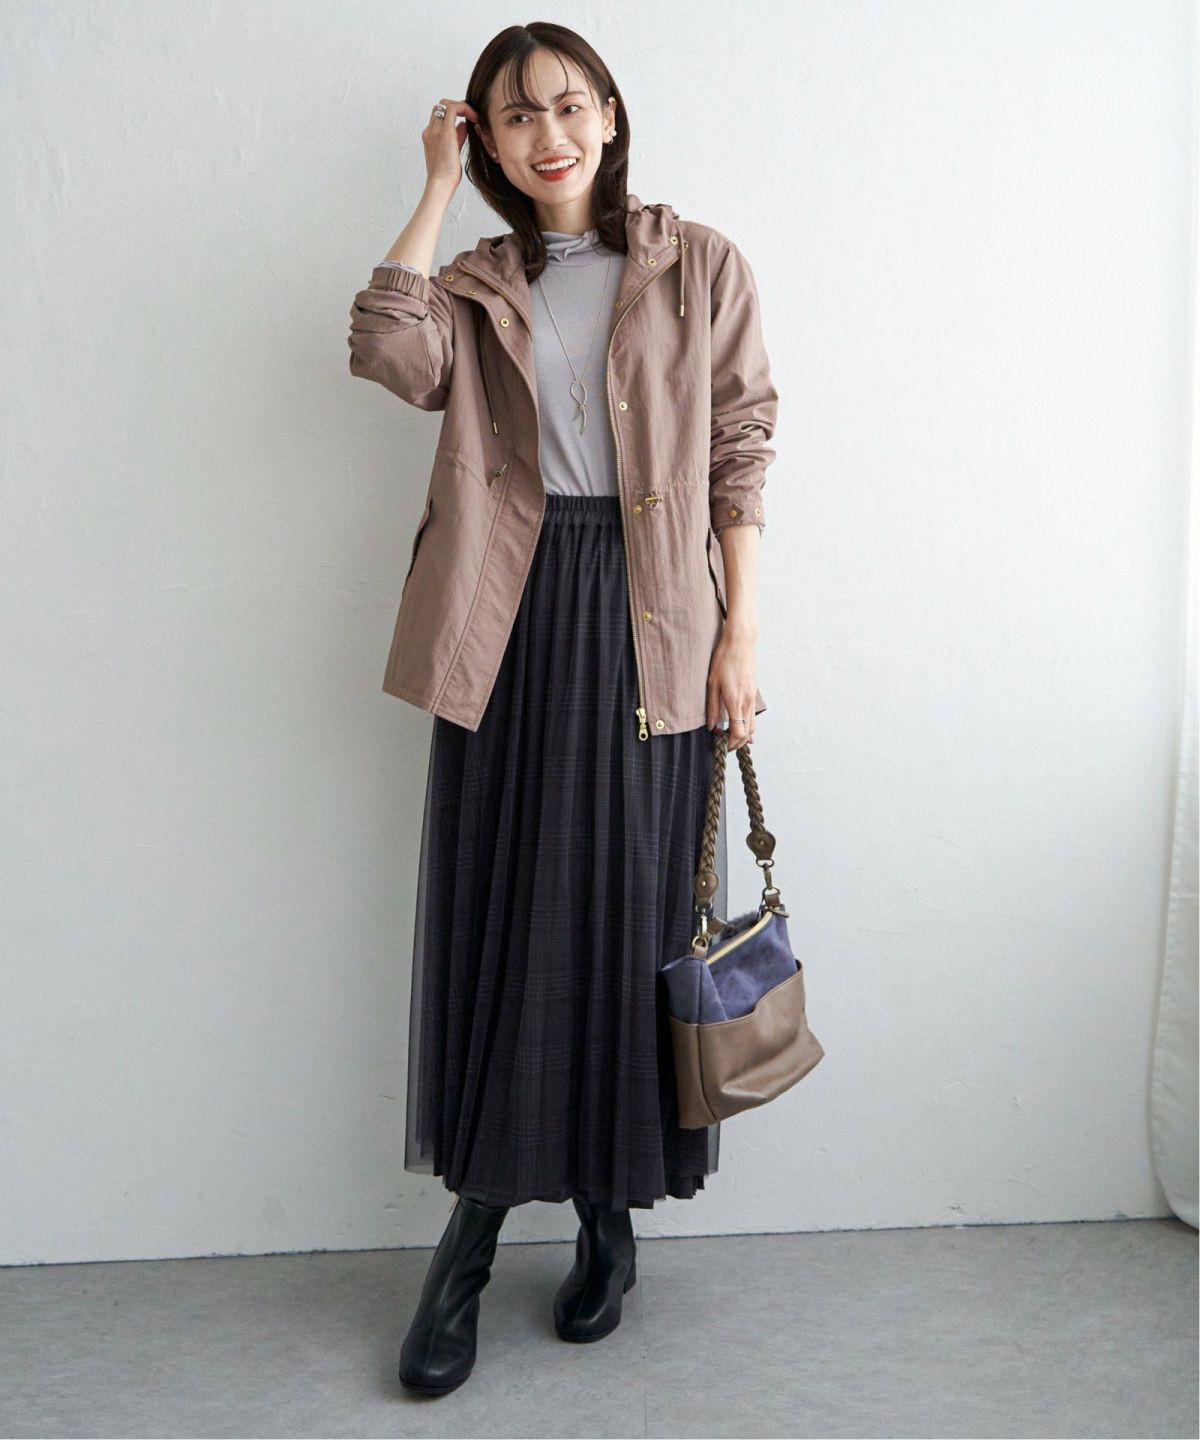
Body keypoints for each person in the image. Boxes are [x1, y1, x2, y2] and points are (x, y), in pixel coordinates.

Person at [347, 22, 778, 1397]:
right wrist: (432, 186)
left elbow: (741, 444)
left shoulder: (699, 263)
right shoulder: (475, 283)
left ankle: (608, 1216)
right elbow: (386, 354)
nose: (551, 134)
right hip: (511, 616)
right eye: (517, 114)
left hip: (659, 617)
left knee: (638, 917)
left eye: (571, 103)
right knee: (512, 912)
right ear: (486, 136)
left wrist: (740, 632)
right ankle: (469, 1243)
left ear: (611, 114)